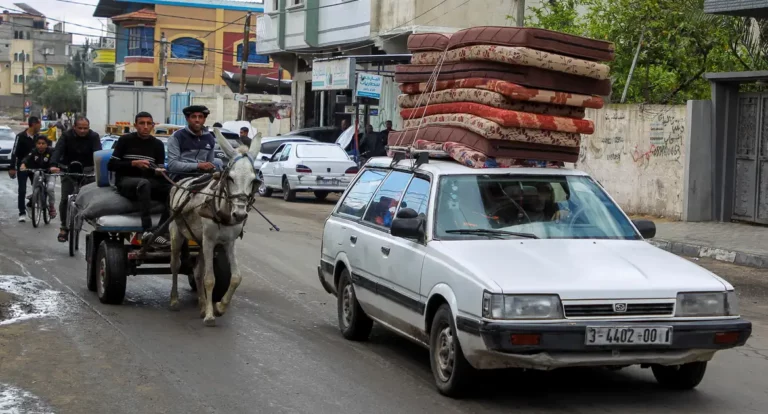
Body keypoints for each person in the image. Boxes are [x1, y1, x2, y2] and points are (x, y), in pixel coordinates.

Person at [108, 112, 171, 246]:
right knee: (144, 184)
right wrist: (133, 163)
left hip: (149, 181)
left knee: (174, 191)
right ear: (135, 125)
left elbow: (158, 169)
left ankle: (160, 231)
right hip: (126, 181)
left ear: (153, 126)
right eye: (142, 123)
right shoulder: (125, 140)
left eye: (149, 124)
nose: (145, 127)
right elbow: (111, 165)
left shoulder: (158, 144)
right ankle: (147, 230)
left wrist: (160, 172)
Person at [51, 116, 101, 242]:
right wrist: (53, 165)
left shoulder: (94, 136)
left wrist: (100, 168)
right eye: (80, 128)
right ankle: (64, 227)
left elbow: (98, 153)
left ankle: (94, 223)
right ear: (74, 127)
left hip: (87, 171)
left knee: (93, 198)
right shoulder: (66, 136)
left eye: (86, 128)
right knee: (64, 199)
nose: (83, 131)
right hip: (68, 170)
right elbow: (58, 150)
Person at [166, 105, 220, 181]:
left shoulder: (210, 138)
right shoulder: (177, 136)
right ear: (187, 119)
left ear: (204, 119)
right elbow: (173, 165)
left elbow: (210, 162)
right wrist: (198, 165)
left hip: (202, 176)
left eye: (200, 117)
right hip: (180, 176)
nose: (197, 120)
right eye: (193, 117)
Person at [9, 116, 42, 222]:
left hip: (35, 167)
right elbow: (14, 153)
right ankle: (22, 212)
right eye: (39, 124)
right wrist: (12, 167)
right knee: (22, 190)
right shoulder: (20, 136)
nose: (40, 126)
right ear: (33, 124)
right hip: (22, 167)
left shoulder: (39, 137)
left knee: (39, 188)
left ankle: (30, 204)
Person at [19, 135, 56, 219]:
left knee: (50, 189)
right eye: (39, 143)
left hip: (50, 173)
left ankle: (51, 207)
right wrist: (23, 165)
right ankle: (35, 194)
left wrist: (55, 167)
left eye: (43, 143)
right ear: (36, 144)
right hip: (38, 173)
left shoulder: (51, 151)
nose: (41, 145)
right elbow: (27, 158)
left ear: (47, 144)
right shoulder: (33, 151)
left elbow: (56, 160)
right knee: (36, 174)